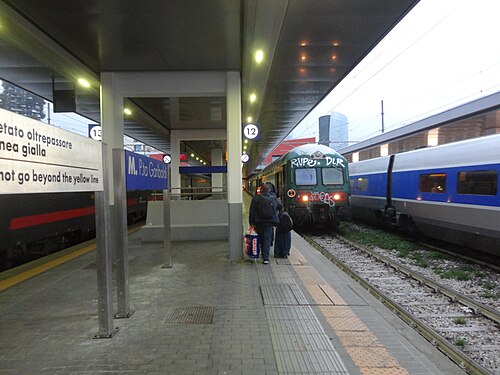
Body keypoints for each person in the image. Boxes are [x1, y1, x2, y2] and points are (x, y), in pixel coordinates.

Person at [249, 183, 282, 264]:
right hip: (269, 222)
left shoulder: (256, 198)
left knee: (260, 238)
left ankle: (259, 253)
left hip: (259, 222)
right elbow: (280, 206)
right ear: (269, 190)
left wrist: (251, 223)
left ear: (261, 190)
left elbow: (252, 211)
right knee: (267, 239)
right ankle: (266, 258)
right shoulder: (273, 197)